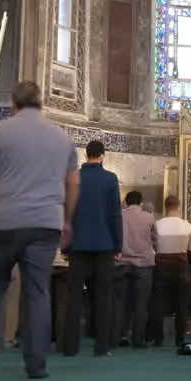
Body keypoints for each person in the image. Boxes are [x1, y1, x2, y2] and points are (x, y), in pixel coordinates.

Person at [0, 82, 79, 379]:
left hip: (6, 222)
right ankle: (37, 365)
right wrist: (66, 219)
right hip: (46, 224)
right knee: (37, 293)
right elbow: (73, 183)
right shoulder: (62, 137)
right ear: (41, 103)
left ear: (14, 104)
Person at [62, 139, 122, 358]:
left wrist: (65, 246)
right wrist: (118, 244)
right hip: (105, 245)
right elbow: (115, 214)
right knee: (103, 297)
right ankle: (102, 346)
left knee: (74, 297)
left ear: (86, 155)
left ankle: (70, 347)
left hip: (77, 245)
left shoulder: (74, 178)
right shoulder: (109, 179)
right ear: (102, 155)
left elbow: (66, 213)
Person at [153, 195, 191, 347]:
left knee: (158, 304)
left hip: (161, 266)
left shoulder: (157, 225)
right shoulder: (186, 226)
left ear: (165, 207)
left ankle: (158, 338)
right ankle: (180, 338)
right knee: (182, 305)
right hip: (181, 267)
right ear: (179, 206)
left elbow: (153, 247)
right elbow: (190, 250)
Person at [117, 191, 157, 349]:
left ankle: (121, 335)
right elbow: (155, 241)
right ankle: (138, 339)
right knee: (141, 304)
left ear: (126, 202)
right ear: (141, 202)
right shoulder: (149, 217)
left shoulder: (118, 216)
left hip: (122, 263)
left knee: (121, 303)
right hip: (144, 264)